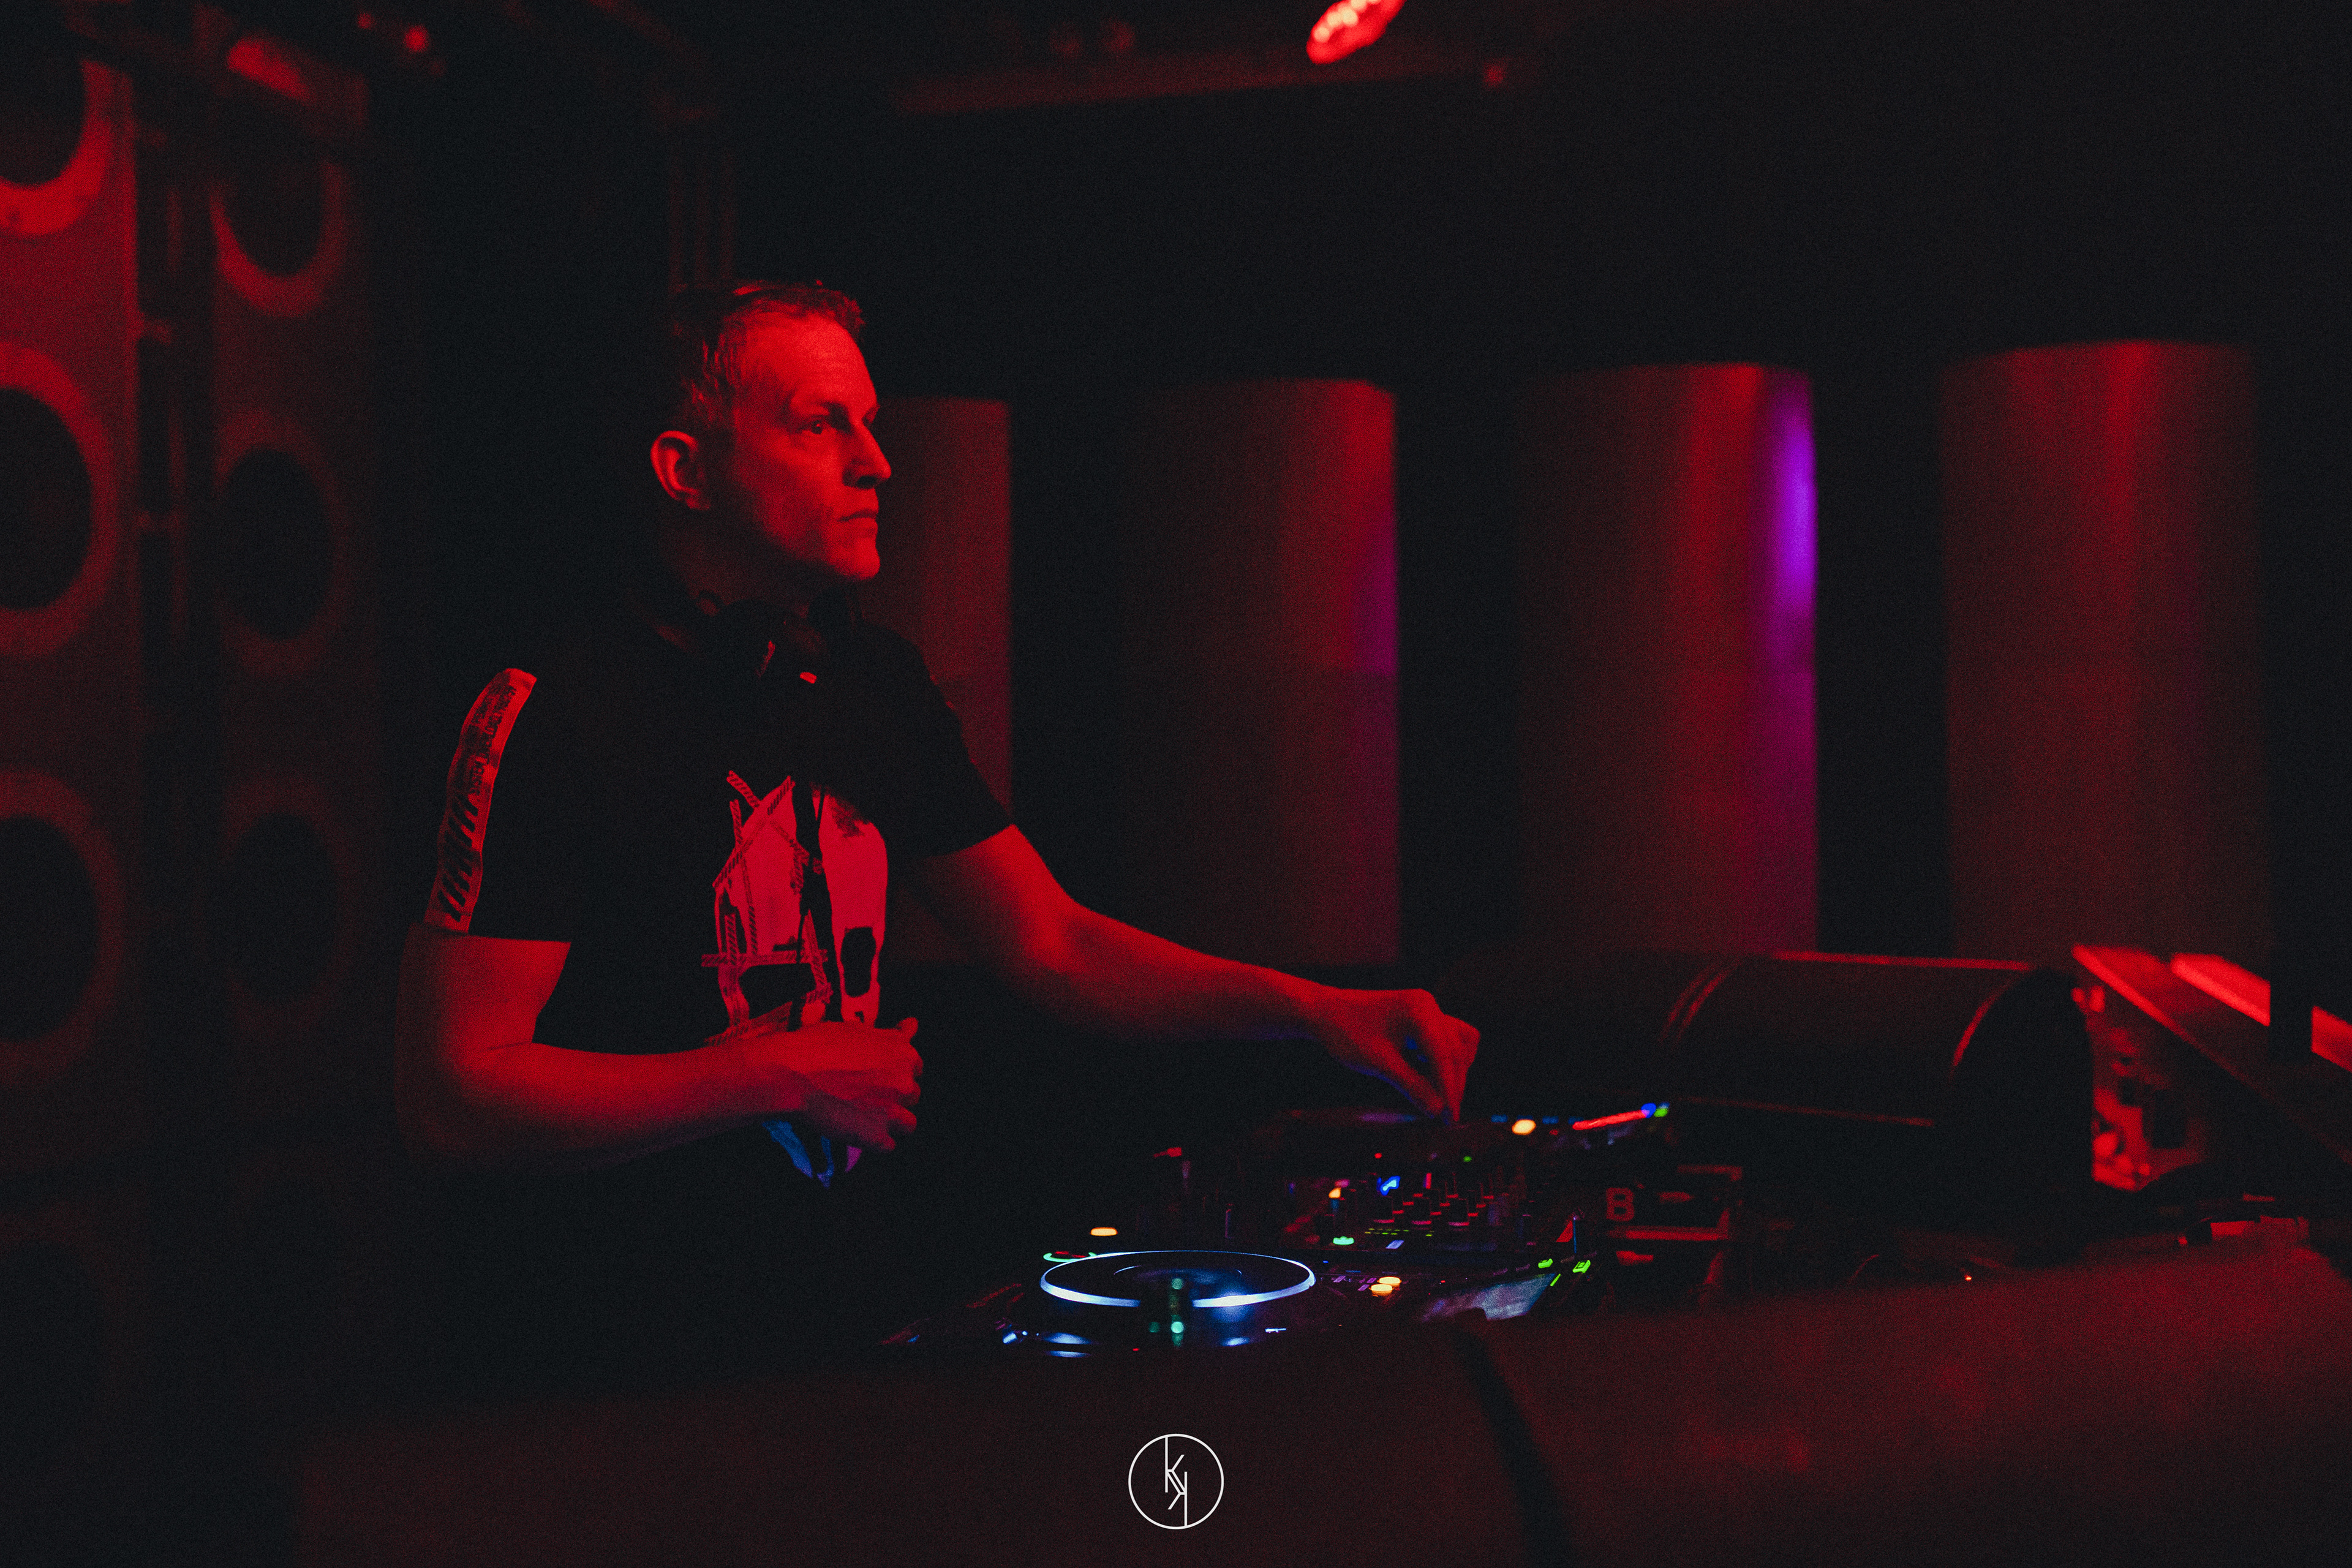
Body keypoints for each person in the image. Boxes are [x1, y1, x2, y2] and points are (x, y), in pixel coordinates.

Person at [393, 281, 1478, 1387]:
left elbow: (1055, 944)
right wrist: (769, 1077)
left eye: (869, 424)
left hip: (837, 1329)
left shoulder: (869, 685)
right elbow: (455, 1092)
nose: (877, 463)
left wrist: (1320, 1011)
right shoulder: (556, 712)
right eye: (820, 426)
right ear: (685, 471)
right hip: (619, 1366)